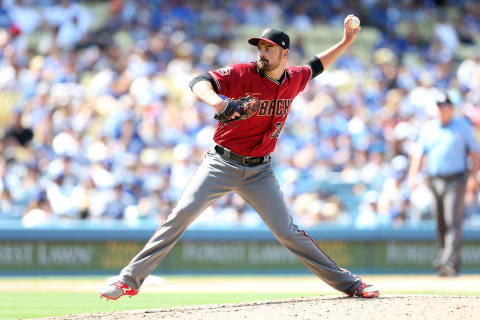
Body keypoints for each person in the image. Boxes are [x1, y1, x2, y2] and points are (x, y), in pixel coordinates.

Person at [100, 15, 380, 300]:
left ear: (285, 53)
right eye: (259, 47)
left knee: (288, 232)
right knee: (180, 216)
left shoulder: (294, 78)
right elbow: (199, 81)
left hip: (260, 172)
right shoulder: (243, 73)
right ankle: (128, 280)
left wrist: (345, 41)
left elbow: (315, 65)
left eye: (268, 48)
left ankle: (351, 284)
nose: (261, 52)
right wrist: (219, 102)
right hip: (221, 163)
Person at [408, 92, 480, 277]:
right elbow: (419, 153)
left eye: (445, 105)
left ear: (451, 108)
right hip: (435, 179)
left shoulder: (462, 127)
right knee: (440, 222)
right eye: (439, 105)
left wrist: (473, 177)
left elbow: (474, 152)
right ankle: (451, 263)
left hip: (456, 179)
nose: (442, 109)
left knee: (452, 220)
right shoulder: (429, 128)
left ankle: (446, 260)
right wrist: (413, 175)